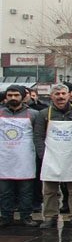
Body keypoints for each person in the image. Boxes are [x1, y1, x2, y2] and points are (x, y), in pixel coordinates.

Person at [34, 83, 72, 229]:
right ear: (52, 96)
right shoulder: (44, 114)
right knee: (50, 190)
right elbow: (38, 136)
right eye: (57, 94)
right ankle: (50, 217)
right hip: (51, 156)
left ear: (69, 95)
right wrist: (43, 155)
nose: (60, 97)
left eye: (63, 94)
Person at [0, 85, 39, 227]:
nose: (13, 98)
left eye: (16, 95)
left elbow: (39, 135)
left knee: (26, 192)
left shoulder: (34, 114)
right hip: (4, 159)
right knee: (4, 192)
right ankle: (5, 217)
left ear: (23, 96)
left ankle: (26, 216)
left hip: (25, 159)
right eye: (10, 95)